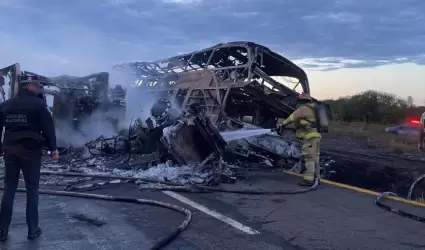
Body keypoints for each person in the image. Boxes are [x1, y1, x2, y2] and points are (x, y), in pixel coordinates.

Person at [0, 75, 59, 241]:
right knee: (32, 190)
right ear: (31, 86)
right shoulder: (39, 105)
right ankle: (33, 229)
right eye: (37, 86)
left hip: (10, 150)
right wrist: (53, 148)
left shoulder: (6, 105)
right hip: (30, 151)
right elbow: (48, 128)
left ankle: (2, 231)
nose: (39, 89)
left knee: (9, 189)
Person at [277, 92, 321, 186]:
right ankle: (317, 178)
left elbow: (291, 118)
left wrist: (283, 125)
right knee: (315, 157)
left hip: (309, 137)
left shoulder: (303, 109)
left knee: (309, 157)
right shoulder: (314, 110)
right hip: (316, 136)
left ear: (301, 101)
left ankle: (308, 180)